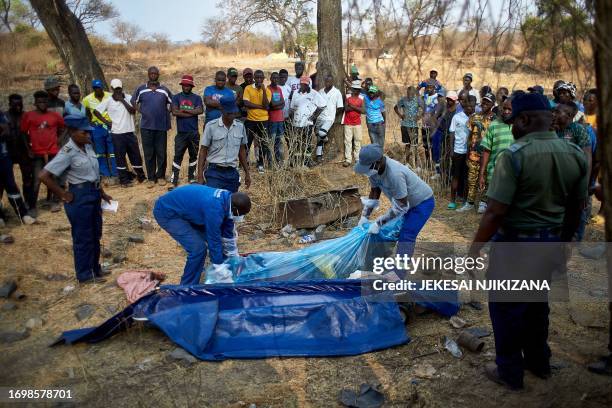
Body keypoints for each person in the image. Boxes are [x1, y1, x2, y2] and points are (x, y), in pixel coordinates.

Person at [469, 92, 588, 390]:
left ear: (523, 120)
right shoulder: (574, 154)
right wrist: (564, 244)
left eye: (513, 122)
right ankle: (539, 362)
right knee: (536, 305)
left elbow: (495, 211)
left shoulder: (515, 155)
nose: (512, 128)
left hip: (516, 246)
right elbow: (577, 208)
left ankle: (509, 372)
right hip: (548, 243)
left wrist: (474, 250)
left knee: (506, 308)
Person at [39, 115, 113, 284]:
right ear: (72, 132)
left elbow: (93, 174)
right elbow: (44, 175)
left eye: (89, 132)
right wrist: (63, 194)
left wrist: (102, 193)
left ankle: (95, 268)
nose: (88, 135)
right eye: (84, 132)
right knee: (83, 237)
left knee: (95, 233)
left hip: (93, 194)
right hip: (79, 197)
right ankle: (85, 274)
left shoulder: (87, 147)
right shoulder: (67, 152)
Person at [153, 185, 252, 285]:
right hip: (167, 212)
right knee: (198, 249)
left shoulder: (228, 199)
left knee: (219, 246)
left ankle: (225, 272)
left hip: (187, 210)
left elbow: (227, 235)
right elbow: (214, 238)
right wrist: (219, 267)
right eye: (241, 214)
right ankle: (187, 288)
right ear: (235, 208)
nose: (241, 217)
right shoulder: (215, 208)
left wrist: (234, 257)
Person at [355, 144, 435, 265]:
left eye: (367, 167)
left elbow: (401, 206)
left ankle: (398, 274)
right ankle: (379, 263)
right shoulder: (374, 171)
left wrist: (379, 222)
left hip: (422, 203)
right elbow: (375, 192)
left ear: (377, 162)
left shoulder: (395, 174)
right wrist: (365, 216)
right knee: (390, 232)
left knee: (407, 235)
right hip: (404, 203)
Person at [94, 79, 146, 187]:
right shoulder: (108, 100)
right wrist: (107, 122)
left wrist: (122, 100)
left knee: (135, 156)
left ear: (122, 87)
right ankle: (124, 181)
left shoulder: (128, 97)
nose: (118, 90)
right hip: (117, 133)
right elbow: (96, 111)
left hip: (130, 132)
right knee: (120, 158)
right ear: (112, 89)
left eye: (119, 88)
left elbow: (132, 111)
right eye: (116, 89)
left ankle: (141, 177)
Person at [20, 90, 65, 215]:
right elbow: (23, 133)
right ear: (35, 102)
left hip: (53, 151)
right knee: (37, 179)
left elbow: (64, 128)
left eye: (44, 101)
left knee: (54, 177)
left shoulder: (54, 116)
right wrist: (28, 149)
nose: (42, 104)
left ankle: (55, 202)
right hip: (37, 153)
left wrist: (58, 141)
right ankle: (33, 206)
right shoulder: (29, 116)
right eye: (39, 101)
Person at [197, 97, 251, 193]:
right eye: (229, 113)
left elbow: (242, 150)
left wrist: (247, 173)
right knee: (214, 202)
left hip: (232, 172)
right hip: (214, 172)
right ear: (221, 110)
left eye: (234, 113)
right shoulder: (211, 126)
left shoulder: (240, 126)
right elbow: (203, 150)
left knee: (229, 203)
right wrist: (200, 175)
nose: (232, 116)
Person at [131, 66, 172, 187]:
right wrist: (140, 110)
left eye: (155, 73)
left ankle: (161, 176)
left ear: (158, 75)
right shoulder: (141, 89)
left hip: (161, 127)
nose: (153, 75)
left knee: (161, 153)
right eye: (151, 73)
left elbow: (172, 102)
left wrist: (167, 112)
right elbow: (133, 101)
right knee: (149, 153)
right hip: (146, 126)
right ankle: (151, 178)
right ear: (148, 74)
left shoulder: (164, 90)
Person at [458, 93, 496, 213]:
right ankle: (469, 202)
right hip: (473, 154)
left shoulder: (495, 119)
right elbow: (469, 135)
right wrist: (468, 151)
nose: (484, 104)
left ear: (492, 105)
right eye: (483, 101)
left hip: (488, 154)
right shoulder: (474, 117)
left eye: (488, 102)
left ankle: (483, 203)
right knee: (472, 178)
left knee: (486, 178)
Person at [0, 110, 36, 225]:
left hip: (4, 157)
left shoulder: (0, 114)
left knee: (11, 186)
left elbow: (6, 131)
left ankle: (23, 214)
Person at [478, 97, 514, 208]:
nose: (506, 111)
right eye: (504, 108)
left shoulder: (520, 125)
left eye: (510, 109)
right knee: (494, 206)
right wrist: (482, 173)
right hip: (494, 174)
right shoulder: (494, 125)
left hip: (513, 174)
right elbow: (486, 150)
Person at [170, 75, 204, 189]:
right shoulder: (176, 97)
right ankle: (174, 179)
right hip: (181, 133)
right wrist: (192, 112)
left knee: (193, 155)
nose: (186, 87)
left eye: (188, 85)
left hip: (194, 132)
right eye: (184, 84)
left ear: (191, 86)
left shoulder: (197, 98)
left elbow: (200, 110)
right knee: (178, 156)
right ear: (181, 85)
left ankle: (191, 177)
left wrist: (183, 110)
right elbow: (174, 112)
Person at [4, 94, 34, 215]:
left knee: (27, 179)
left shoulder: (26, 115)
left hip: (24, 151)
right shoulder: (5, 116)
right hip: (8, 152)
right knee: (4, 181)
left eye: (20, 104)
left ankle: (28, 202)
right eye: (15, 104)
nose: (18, 106)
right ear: (10, 104)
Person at [83, 79, 118, 181]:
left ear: (102, 87)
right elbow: (85, 113)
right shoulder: (87, 99)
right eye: (96, 88)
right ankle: (105, 175)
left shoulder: (110, 95)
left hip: (110, 126)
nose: (98, 90)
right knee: (100, 152)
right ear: (93, 89)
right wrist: (89, 124)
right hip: (97, 128)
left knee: (113, 151)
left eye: (100, 87)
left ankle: (115, 174)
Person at [289, 76, 326, 167]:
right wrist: (291, 121)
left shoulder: (314, 94)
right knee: (297, 141)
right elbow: (292, 108)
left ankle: (306, 162)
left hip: (308, 123)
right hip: (296, 123)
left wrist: (314, 116)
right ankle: (297, 161)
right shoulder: (295, 93)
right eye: (302, 84)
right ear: (300, 84)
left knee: (307, 142)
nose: (303, 86)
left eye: (305, 84)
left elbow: (323, 105)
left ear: (308, 84)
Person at [243, 69, 272, 172]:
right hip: (251, 120)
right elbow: (246, 103)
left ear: (264, 79)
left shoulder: (267, 91)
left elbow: (266, 105)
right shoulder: (248, 88)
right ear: (254, 78)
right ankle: (244, 163)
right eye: (257, 77)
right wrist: (260, 106)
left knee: (263, 143)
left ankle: (260, 164)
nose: (259, 79)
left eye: (261, 77)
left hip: (263, 120)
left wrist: (263, 90)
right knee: (247, 142)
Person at [447, 95, 473, 209]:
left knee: (467, 177)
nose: (470, 108)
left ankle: (465, 200)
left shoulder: (475, 119)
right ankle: (452, 200)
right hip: (458, 151)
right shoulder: (457, 117)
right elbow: (452, 133)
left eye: (472, 106)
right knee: (456, 176)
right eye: (468, 106)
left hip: (470, 153)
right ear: (464, 106)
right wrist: (451, 150)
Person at [315, 74, 343, 163]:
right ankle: (319, 155)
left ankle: (325, 139)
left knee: (321, 132)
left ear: (332, 82)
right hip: (319, 118)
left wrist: (333, 115)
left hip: (329, 118)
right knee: (319, 137)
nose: (327, 83)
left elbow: (340, 107)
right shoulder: (320, 92)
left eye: (329, 81)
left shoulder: (337, 92)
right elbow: (317, 105)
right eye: (326, 81)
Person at [395, 86, 423, 166]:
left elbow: (424, 109)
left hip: (414, 126)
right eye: (408, 93)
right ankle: (407, 163)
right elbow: (395, 108)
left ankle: (415, 164)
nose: (409, 95)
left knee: (415, 145)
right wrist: (401, 115)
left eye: (411, 93)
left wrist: (419, 116)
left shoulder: (418, 100)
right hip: (405, 125)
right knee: (407, 145)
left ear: (414, 93)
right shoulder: (403, 100)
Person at [342, 81, 364, 167]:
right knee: (347, 141)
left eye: (358, 89)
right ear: (353, 89)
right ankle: (348, 159)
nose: (357, 91)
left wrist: (352, 106)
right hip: (348, 123)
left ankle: (357, 158)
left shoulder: (361, 98)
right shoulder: (347, 97)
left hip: (357, 123)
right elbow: (346, 109)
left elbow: (363, 111)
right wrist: (357, 108)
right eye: (355, 89)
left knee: (357, 141)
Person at [267, 72, 286, 163]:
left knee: (279, 141)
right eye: (273, 78)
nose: (275, 80)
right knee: (272, 140)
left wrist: (275, 105)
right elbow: (271, 105)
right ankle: (270, 162)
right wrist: (277, 105)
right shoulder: (268, 89)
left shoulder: (279, 89)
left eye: (277, 78)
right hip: (272, 120)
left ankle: (279, 160)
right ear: (270, 78)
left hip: (280, 119)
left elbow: (283, 103)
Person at [421, 80, 440, 167]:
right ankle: (428, 163)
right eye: (427, 87)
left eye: (431, 87)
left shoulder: (436, 97)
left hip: (432, 126)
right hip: (424, 125)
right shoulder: (426, 96)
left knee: (432, 145)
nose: (428, 89)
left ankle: (433, 163)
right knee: (425, 145)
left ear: (434, 88)